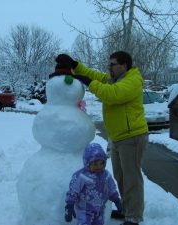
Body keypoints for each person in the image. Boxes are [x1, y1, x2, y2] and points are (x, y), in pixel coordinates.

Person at [57, 51, 149, 225]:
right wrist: (75, 65)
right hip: (117, 137)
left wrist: (89, 83)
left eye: (112, 64)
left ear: (124, 65)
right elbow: (94, 76)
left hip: (132, 137)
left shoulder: (132, 80)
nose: (109, 68)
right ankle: (127, 210)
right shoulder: (115, 79)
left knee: (132, 179)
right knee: (121, 177)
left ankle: (134, 216)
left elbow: (112, 94)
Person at [65, 143, 122, 225]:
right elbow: (73, 191)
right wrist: (69, 205)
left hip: (99, 211)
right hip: (84, 211)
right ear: (87, 163)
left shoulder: (106, 176)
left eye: (101, 163)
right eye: (95, 164)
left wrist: (117, 201)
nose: (99, 166)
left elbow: (111, 189)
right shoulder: (81, 176)